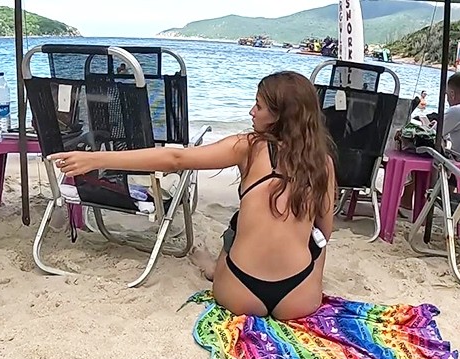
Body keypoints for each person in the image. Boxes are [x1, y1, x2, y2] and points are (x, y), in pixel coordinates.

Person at [50, 71, 336, 321]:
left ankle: (215, 269)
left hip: (239, 292)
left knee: (237, 226)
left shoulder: (249, 146)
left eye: (258, 106)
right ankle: (284, 278)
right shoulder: (323, 163)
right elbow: (324, 232)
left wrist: (96, 159)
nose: (251, 112)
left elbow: (175, 158)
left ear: (279, 116)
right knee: (316, 240)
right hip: (298, 299)